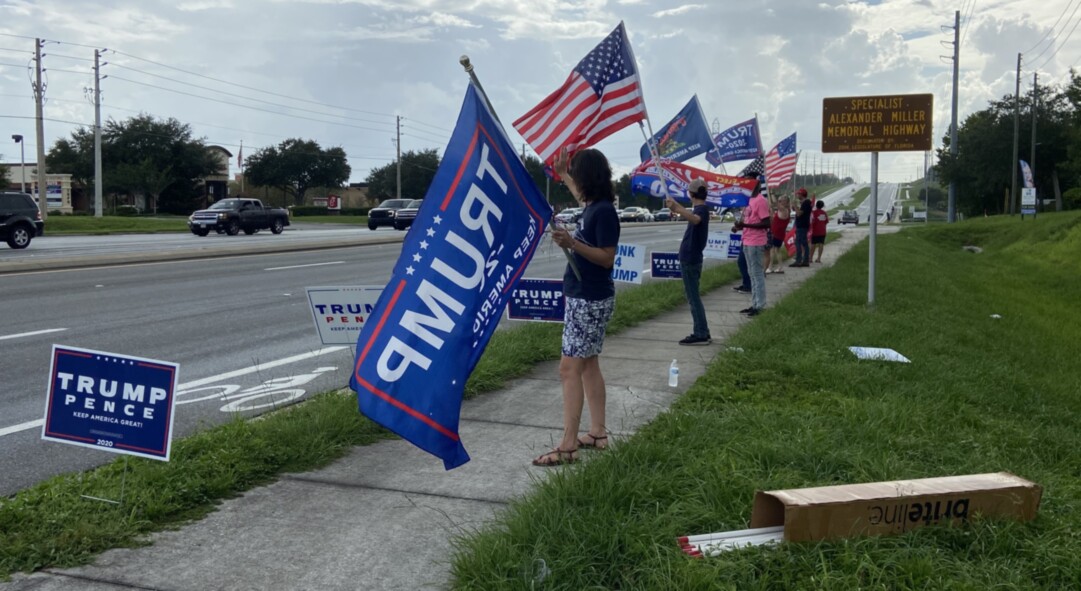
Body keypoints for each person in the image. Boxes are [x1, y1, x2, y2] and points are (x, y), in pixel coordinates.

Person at [535, 147, 620, 467]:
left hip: (588, 299)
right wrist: (563, 174)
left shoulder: (603, 213)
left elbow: (607, 258)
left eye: (578, 176)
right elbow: (580, 195)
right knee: (588, 366)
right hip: (588, 297)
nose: (577, 184)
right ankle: (597, 432)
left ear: (590, 178)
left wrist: (573, 244)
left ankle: (568, 444)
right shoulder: (596, 206)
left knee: (568, 369)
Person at [666, 178, 711, 346]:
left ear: (691, 194)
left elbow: (696, 219)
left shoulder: (702, 210)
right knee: (693, 297)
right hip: (690, 257)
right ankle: (702, 330)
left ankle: (700, 332)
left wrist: (677, 208)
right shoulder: (699, 209)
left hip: (690, 258)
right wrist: (677, 207)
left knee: (693, 298)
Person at [735, 180, 770, 316]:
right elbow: (749, 221)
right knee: (751, 273)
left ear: (755, 185)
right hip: (747, 240)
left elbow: (766, 223)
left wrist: (746, 226)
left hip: (756, 241)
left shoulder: (760, 201)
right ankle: (755, 303)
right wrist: (739, 226)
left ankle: (760, 306)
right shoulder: (749, 200)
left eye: (748, 182)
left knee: (757, 274)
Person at [767, 194, 791, 273]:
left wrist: (771, 194)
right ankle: (779, 267)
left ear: (786, 202)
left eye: (783, 200)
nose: (781, 201)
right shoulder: (783, 209)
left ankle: (771, 267)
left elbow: (774, 202)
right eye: (781, 200)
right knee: (776, 250)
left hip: (777, 233)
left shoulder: (784, 209)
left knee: (774, 249)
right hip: (777, 232)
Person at [790, 187, 812, 267]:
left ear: (802, 194)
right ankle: (803, 259)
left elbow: (799, 213)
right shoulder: (803, 203)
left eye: (798, 194)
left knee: (800, 242)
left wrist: (795, 206)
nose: (797, 195)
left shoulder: (806, 203)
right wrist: (795, 207)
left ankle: (800, 260)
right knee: (802, 242)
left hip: (802, 225)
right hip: (801, 225)